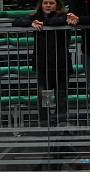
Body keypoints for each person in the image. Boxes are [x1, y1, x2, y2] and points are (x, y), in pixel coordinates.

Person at [13, 0, 72, 128]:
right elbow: (16, 21)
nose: (48, 5)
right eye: (46, 3)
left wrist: (43, 23)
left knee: (61, 96)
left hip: (61, 64)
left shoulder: (63, 16)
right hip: (43, 64)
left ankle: (61, 123)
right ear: (41, 5)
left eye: (52, 3)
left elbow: (61, 21)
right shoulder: (36, 17)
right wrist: (31, 22)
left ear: (57, 5)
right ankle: (46, 123)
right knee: (45, 95)